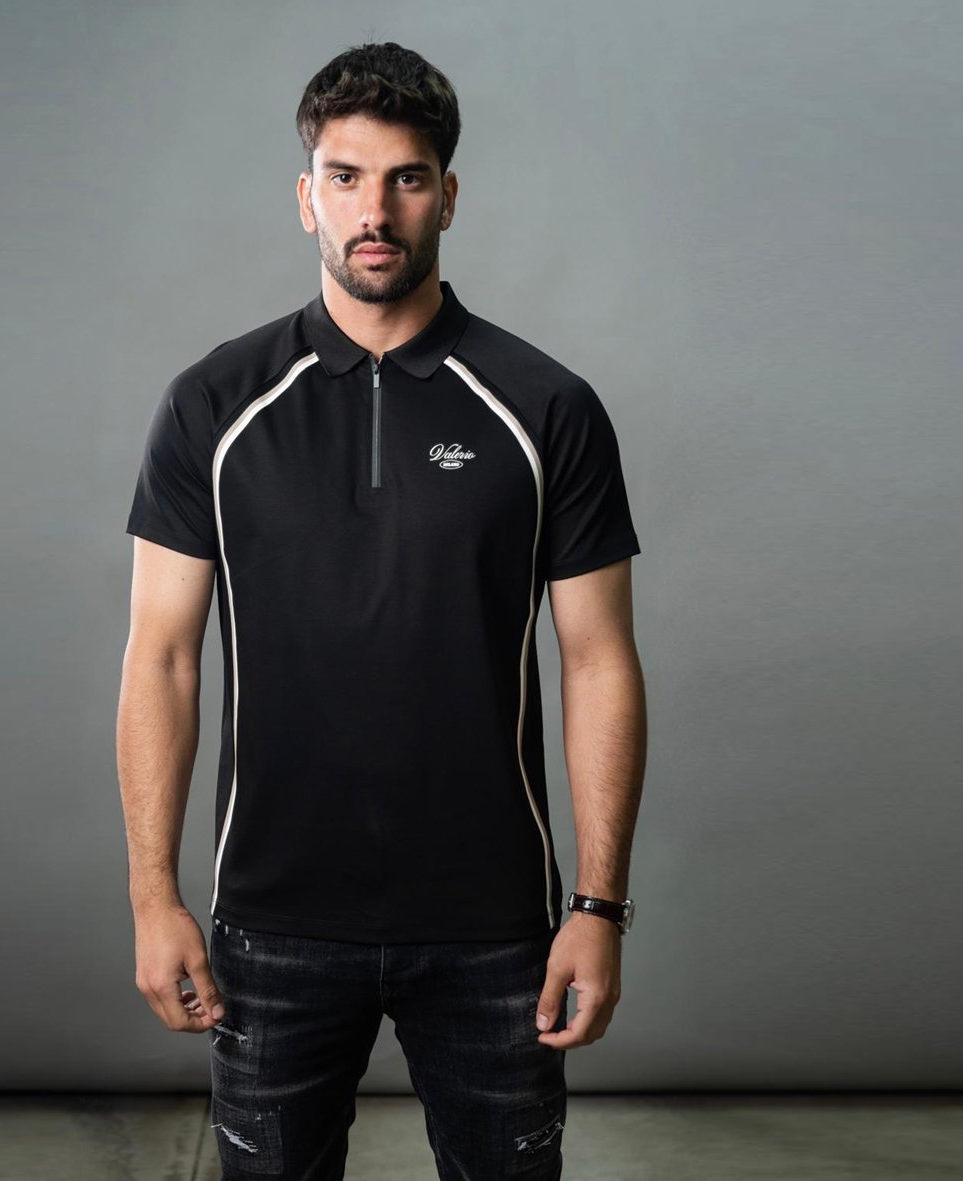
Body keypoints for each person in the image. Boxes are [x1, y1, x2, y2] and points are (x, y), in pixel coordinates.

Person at [117, 40, 647, 1181]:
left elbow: (598, 660)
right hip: (272, 923)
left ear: (446, 196)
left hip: (492, 929)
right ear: (305, 196)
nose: (374, 210)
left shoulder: (545, 406)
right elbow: (161, 657)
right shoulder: (213, 404)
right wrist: (153, 896)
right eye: (345, 177)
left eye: (405, 178)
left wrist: (597, 906)